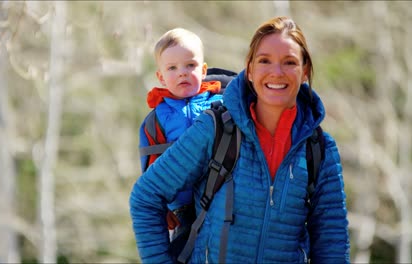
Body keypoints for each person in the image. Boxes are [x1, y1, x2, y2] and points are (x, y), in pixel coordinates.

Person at [130, 16, 350, 263]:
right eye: (264, 61)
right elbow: (145, 197)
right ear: (250, 68)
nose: (276, 73)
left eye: (289, 62)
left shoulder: (319, 149)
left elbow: (332, 243)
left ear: (305, 70)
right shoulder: (217, 128)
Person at [137, 28, 223, 241]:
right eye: (172, 68)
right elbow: (151, 167)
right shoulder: (156, 119)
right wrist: (159, 206)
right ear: (161, 77)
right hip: (183, 206)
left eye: (190, 65)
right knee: (183, 250)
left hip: (226, 196)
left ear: (203, 70)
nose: (182, 72)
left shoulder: (222, 105)